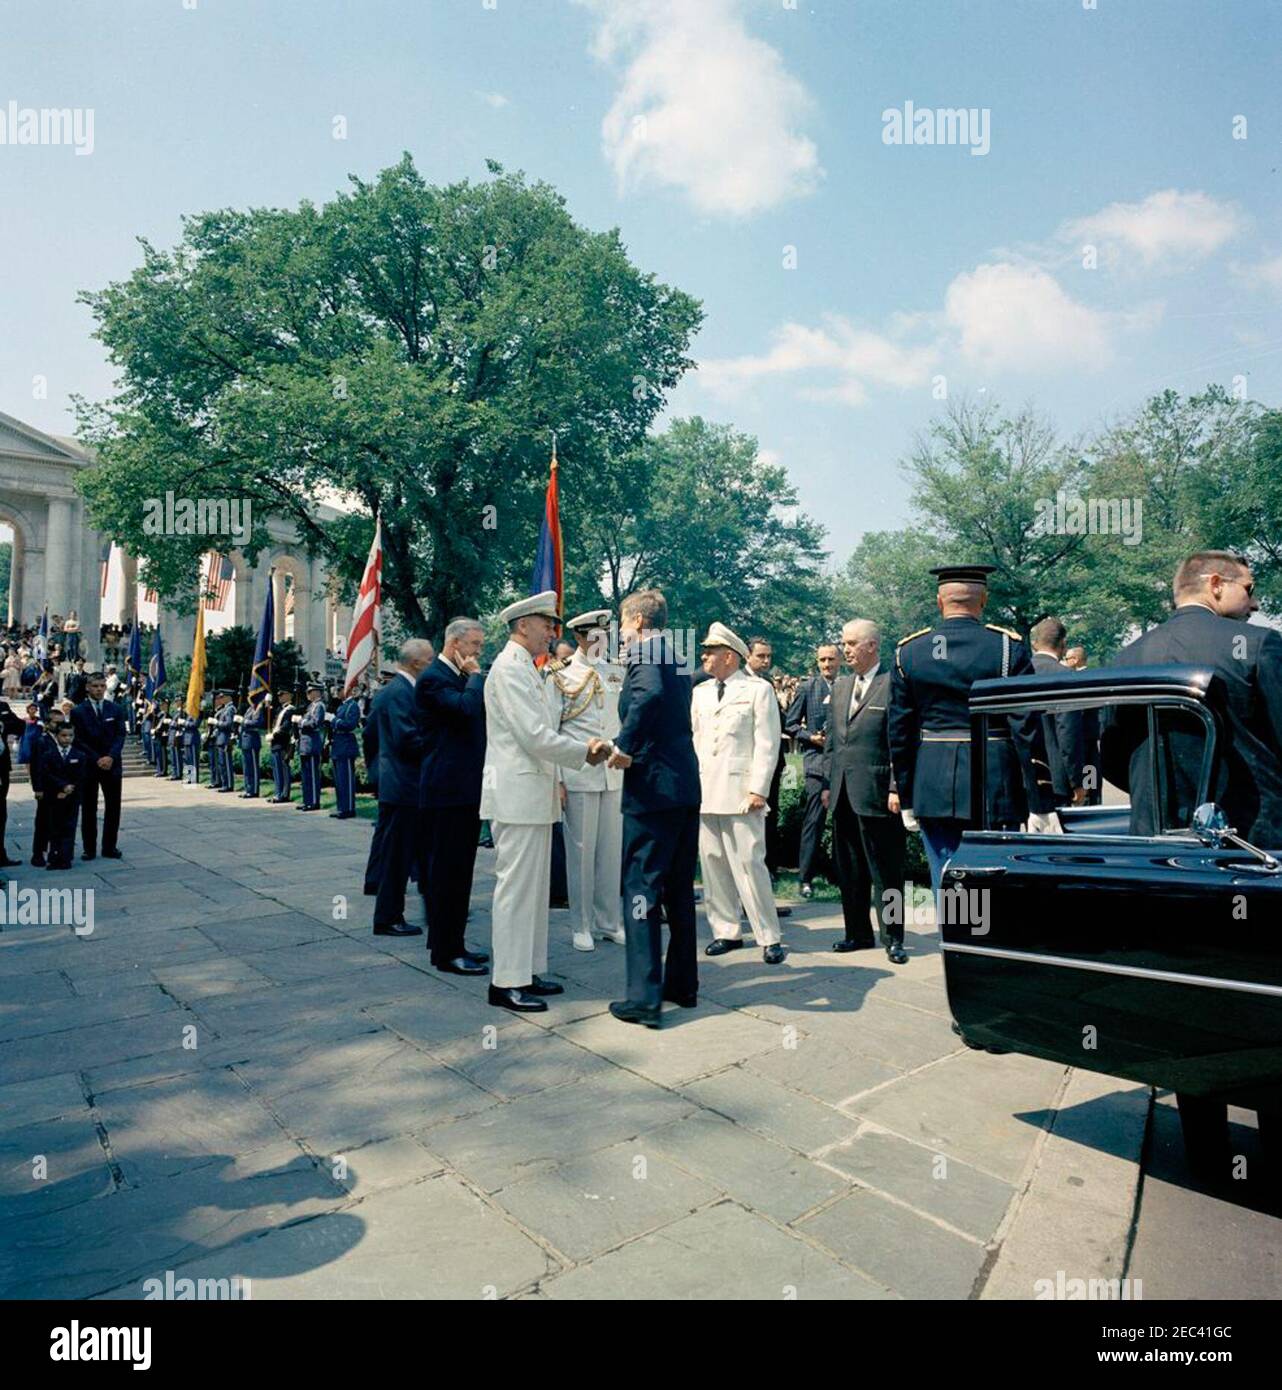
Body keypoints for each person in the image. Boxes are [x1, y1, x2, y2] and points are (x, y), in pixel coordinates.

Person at [888, 564, 1056, 892]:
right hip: (994, 782)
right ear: (984, 600)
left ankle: (955, 941)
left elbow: (899, 732)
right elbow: (1026, 729)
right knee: (993, 878)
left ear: (940, 601)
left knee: (947, 875)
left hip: (932, 783)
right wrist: (1041, 800)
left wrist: (905, 795)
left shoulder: (909, 652)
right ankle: (985, 941)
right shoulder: (1008, 649)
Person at [480, 592, 609, 1013]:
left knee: (534, 892)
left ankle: (528, 971)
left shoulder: (527, 669)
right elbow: (534, 735)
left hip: (532, 793)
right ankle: (507, 981)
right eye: (546, 624)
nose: (553, 632)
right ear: (522, 626)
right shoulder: (509, 670)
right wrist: (582, 753)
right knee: (516, 890)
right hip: (516, 795)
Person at [1109, 550, 1282, 846]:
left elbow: (1112, 756)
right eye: (1249, 589)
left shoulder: (1128, 656)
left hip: (1153, 839)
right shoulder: (1258, 644)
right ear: (1216, 584)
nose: (1254, 603)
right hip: (1250, 839)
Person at [606, 588, 702, 1027]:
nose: (621, 634)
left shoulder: (646, 653)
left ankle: (644, 999)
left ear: (639, 622)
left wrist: (624, 745)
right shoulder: (678, 654)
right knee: (678, 889)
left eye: (623, 625)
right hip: (683, 784)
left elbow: (647, 696)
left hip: (653, 789)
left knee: (641, 889)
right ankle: (683, 985)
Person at [691, 623, 785, 963]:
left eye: (710, 651)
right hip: (706, 790)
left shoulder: (758, 690)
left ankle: (768, 935)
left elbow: (767, 743)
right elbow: (695, 740)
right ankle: (726, 930)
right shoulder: (700, 692)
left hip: (742, 793)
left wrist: (758, 789)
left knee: (749, 863)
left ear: (728, 656)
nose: (703, 656)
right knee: (713, 864)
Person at [821, 620, 907, 962]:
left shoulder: (893, 685)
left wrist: (896, 787)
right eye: (844, 643)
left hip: (878, 794)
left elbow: (901, 741)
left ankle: (894, 938)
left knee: (886, 870)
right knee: (850, 870)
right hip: (843, 792)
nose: (846, 649)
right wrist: (828, 783)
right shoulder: (841, 686)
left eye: (853, 643)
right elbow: (832, 741)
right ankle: (857, 934)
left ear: (872, 646)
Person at [551, 609, 626, 952]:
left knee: (611, 851)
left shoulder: (615, 672)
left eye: (607, 636)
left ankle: (609, 920)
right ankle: (581, 924)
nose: (604, 641)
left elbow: (621, 721)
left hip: (613, 772)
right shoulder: (561, 676)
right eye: (597, 636)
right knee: (581, 852)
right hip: (579, 772)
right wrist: (556, 779)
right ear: (581, 638)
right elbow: (550, 732)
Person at [418, 620, 491, 969]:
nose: (478, 651)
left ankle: (451, 942)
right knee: (449, 874)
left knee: (460, 873)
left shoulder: (458, 678)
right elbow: (465, 710)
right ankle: (447, 953)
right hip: (446, 792)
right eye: (474, 644)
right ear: (454, 643)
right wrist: (477, 676)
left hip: (463, 790)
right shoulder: (434, 678)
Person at [364, 639, 433, 936]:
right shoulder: (400, 693)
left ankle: (434, 909)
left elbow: (370, 737)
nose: (433, 665)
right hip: (404, 786)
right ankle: (389, 917)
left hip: (400, 784)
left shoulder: (399, 691)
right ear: (417, 663)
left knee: (412, 853)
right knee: (397, 857)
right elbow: (408, 740)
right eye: (430, 660)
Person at [785, 642, 841, 897]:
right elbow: (791, 725)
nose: (827, 664)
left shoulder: (849, 685)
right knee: (814, 822)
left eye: (831, 659)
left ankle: (840, 875)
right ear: (817, 662)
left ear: (839, 660)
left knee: (844, 825)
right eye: (822, 660)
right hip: (817, 765)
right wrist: (811, 737)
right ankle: (805, 878)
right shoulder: (808, 687)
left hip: (843, 765)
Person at [1029, 617, 1087, 807]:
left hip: (1022, 775)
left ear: (1034, 644)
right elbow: (1067, 733)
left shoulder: (1019, 672)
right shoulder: (1066, 676)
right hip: (1055, 778)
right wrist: (1076, 781)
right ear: (1063, 644)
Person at [69, 672, 126, 860]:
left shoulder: (115, 709)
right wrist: (97, 758)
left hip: (112, 765)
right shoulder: (78, 712)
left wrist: (110, 757)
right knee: (89, 808)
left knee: (113, 808)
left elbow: (120, 736)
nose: (99, 689)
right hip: (90, 766)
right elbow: (78, 740)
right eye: (95, 686)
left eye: (102, 686)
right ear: (87, 687)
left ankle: (110, 847)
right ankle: (89, 848)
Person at [37, 721, 86, 870]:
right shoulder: (49, 754)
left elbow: (81, 775)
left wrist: (70, 788)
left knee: (69, 827)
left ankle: (66, 858)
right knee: (54, 827)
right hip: (55, 795)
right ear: (57, 736)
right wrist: (61, 787)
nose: (67, 739)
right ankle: (54, 858)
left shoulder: (79, 754)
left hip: (72, 796)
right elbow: (46, 774)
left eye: (70, 736)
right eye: (64, 736)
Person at [29, 707, 67, 867]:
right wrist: (37, 788)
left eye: (62, 722)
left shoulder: (62, 738)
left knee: (57, 821)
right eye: (56, 722)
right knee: (43, 822)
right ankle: (38, 853)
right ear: (47, 723)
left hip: (59, 786)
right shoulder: (42, 740)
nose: (59, 725)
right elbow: (36, 766)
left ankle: (55, 851)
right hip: (46, 788)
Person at [1064, 645, 1102, 803]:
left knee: (1087, 770)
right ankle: (1092, 798)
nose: (1065, 662)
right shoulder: (1093, 677)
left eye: (1067, 659)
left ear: (1075, 660)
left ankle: (1088, 799)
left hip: (1082, 736)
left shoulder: (1077, 680)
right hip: (1090, 737)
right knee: (1090, 771)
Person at [328, 689, 362, 819]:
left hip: (346, 744)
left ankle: (348, 808)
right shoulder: (342, 706)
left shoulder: (353, 706)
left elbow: (350, 725)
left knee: (346, 779)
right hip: (338, 743)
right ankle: (341, 807)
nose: (337, 692)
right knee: (339, 780)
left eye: (339, 689)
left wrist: (334, 720)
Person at [0, 698, 24, 866]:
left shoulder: (2, 707)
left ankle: (1, 856)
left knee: (1, 813)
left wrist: (3, 723)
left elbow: (19, 726)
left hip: (1, 769)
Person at [297, 683, 327, 810]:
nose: (308, 694)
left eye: (310, 692)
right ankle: (307, 800)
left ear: (317, 692)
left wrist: (301, 722)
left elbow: (315, 723)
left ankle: (314, 802)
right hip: (305, 744)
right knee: (306, 775)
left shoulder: (319, 706)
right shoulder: (311, 706)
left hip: (312, 743)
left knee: (313, 775)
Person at [268, 693, 296, 802]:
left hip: (282, 743)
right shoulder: (280, 709)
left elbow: (286, 727)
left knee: (282, 769)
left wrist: (274, 735)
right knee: (276, 770)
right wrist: (267, 705)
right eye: (278, 695)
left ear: (289, 695)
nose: (279, 697)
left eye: (282, 695)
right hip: (276, 743)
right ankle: (278, 793)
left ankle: (283, 794)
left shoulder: (290, 710)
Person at [238, 696, 266, 798]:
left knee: (253, 767)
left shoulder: (258, 708)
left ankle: (254, 790)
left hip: (252, 740)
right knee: (246, 768)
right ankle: (248, 788)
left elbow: (258, 722)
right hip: (245, 740)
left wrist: (244, 722)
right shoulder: (250, 709)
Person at [212, 691, 238, 793]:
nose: (221, 699)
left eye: (223, 697)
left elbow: (228, 724)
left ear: (228, 697)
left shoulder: (230, 709)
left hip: (226, 739)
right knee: (222, 764)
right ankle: (224, 783)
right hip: (221, 739)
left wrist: (217, 723)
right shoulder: (225, 709)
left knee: (226, 764)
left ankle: (229, 785)